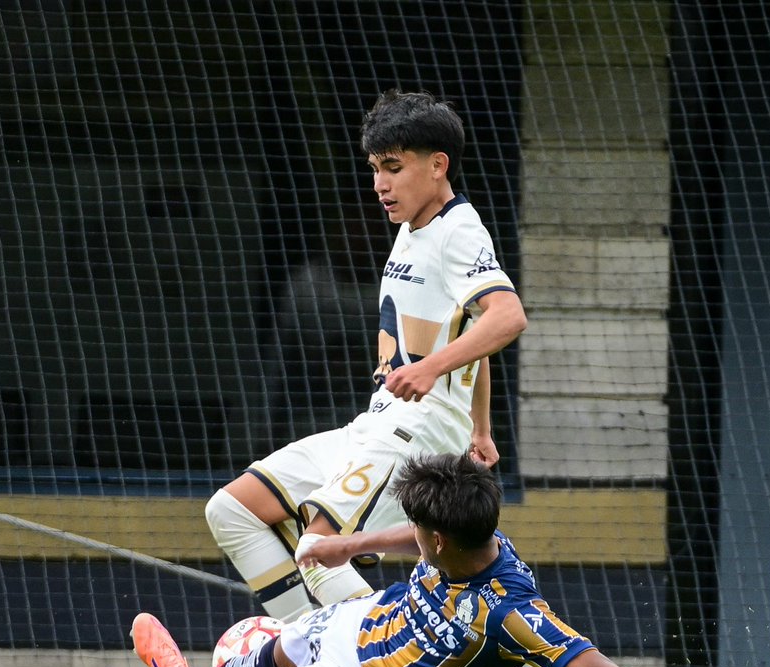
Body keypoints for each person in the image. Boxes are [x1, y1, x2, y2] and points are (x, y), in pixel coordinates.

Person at [108, 453, 743, 667]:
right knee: (254, 646)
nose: (413, 534)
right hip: (364, 623)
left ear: (438, 540)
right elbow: (414, 536)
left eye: (419, 530)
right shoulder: (474, 531)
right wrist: (344, 547)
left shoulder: (511, 613)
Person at [206, 89, 528, 623]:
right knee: (234, 509)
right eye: (376, 168)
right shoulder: (411, 229)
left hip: (415, 433)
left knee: (318, 553)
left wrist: (427, 368)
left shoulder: (458, 230)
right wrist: (481, 430)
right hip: (380, 422)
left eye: (394, 167)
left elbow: (506, 317)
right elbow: (474, 327)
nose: (380, 183)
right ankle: (306, 655)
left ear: (437, 165)